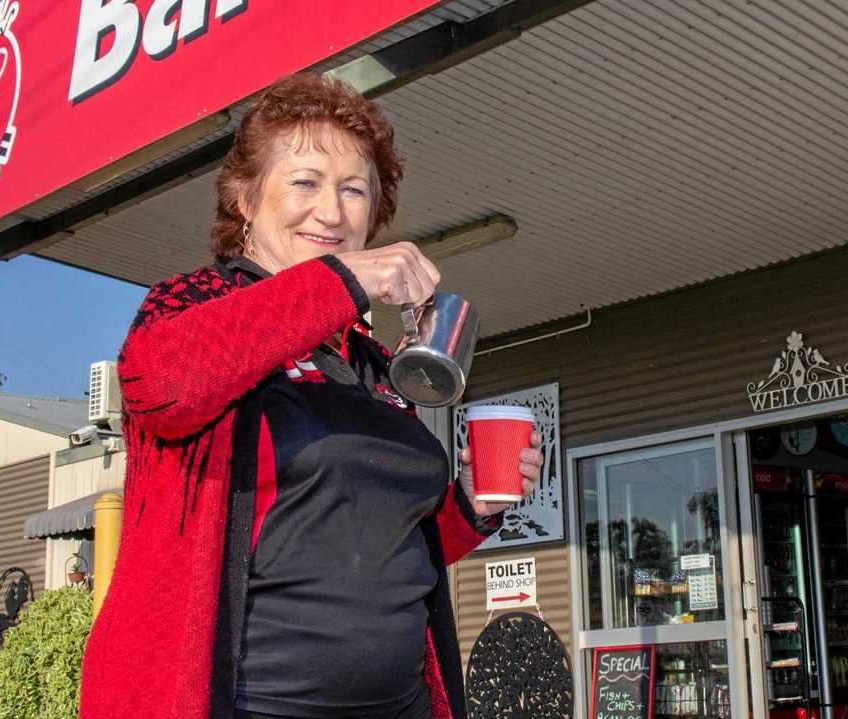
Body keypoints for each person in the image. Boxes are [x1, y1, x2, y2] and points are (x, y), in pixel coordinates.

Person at [79, 73, 543, 719]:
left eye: (354, 190)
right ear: (245, 199)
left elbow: (374, 541)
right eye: (305, 181)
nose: (332, 211)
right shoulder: (195, 305)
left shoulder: (374, 365)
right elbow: (160, 388)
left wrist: (470, 503)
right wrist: (342, 278)